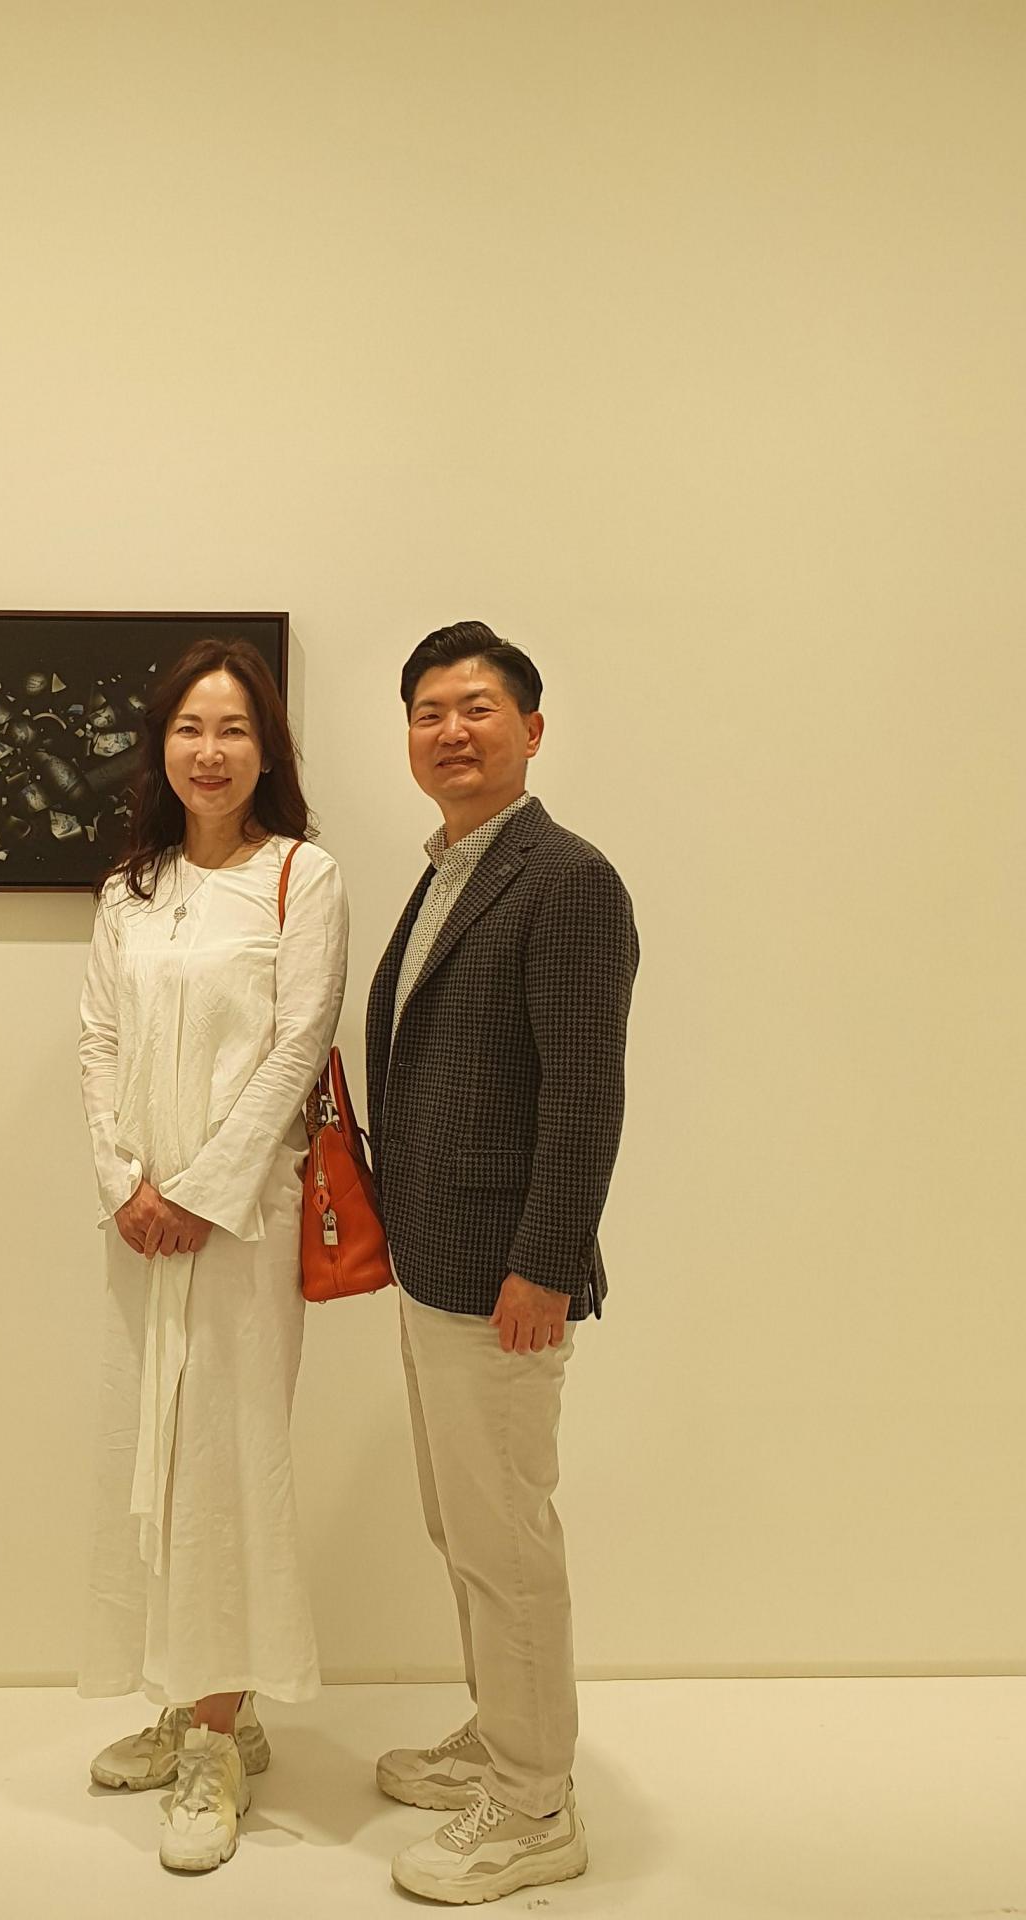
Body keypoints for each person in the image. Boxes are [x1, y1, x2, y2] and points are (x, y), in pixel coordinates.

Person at [363, 620, 637, 1903]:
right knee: (461, 1525)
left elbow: (586, 1094)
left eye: (476, 708)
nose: (450, 731)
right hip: (437, 1260)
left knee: (507, 1539)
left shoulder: (566, 879)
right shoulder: (450, 870)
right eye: (428, 712)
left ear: (531, 729)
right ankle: (503, 1734)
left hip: (505, 1276)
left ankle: (535, 1807)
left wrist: (545, 1261)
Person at [76, 638, 348, 1874]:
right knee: (151, 1453)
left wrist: (200, 1192)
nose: (211, 750)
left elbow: (299, 1046)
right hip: (142, 1227)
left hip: (242, 1224)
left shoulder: (302, 876)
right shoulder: (130, 889)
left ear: (267, 749)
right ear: (162, 745)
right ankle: (193, 1693)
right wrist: (125, 1184)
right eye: (191, 726)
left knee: (230, 1461)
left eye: (234, 727)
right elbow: (97, 1042)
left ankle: (218, 1739)